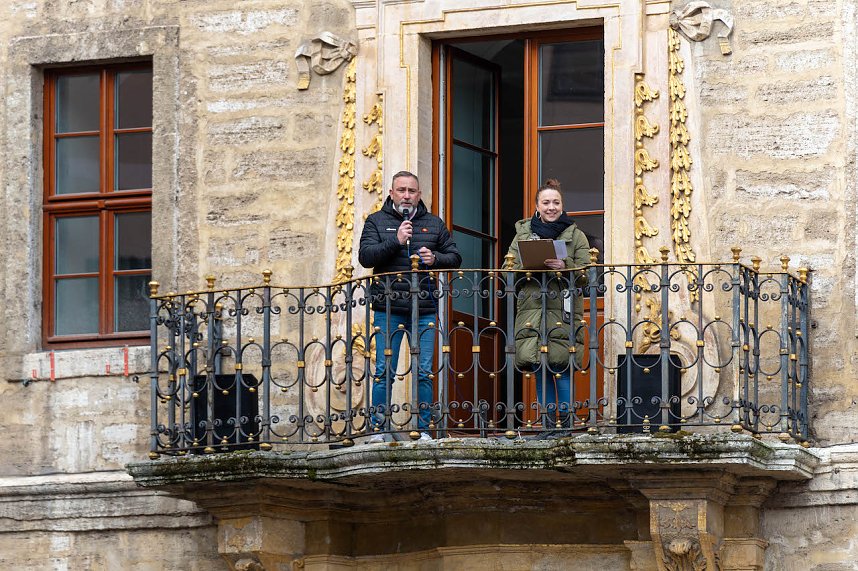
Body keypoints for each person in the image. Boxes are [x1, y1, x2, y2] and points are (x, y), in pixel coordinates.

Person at [358, 171, 462, 442]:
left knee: (424, 370)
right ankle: (380, 430)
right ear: (391, 193)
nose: (406, 195)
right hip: (388, 307)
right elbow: (366, 257)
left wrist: (435, 258)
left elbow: (455, 257)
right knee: (384, 370)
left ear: (419, 194)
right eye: (401, 190)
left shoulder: (434, 224)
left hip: (424, 307)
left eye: (411, 191)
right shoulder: (376, 221)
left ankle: (424, 430)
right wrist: (396, 240)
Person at [505, 179, 590, 428]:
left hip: (562, 311)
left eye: (556, 202)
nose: (551, 207)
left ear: (562, 206)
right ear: (537, 206)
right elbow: (505, 271)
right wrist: (527, 267)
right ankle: (548, 424)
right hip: (532, 311)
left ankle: (564, 423)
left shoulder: (576, 235)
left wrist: (566, 267)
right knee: (539, 367)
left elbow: (589, 275)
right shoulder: (522, 234)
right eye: (546, 202)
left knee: (562, 365)